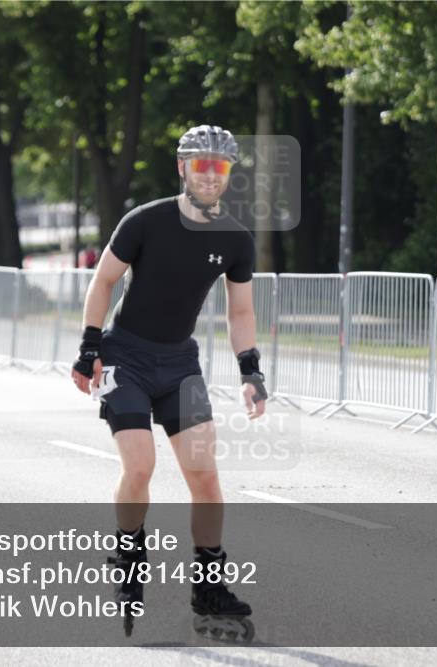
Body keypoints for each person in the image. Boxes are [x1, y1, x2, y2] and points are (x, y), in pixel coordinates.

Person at [70, 124, 267, 640]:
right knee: (141, 464)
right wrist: (89, 347)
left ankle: (208, 587)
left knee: (205, 477)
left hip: (180, 364)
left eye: (219, 167)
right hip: (126, 358)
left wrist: (251, 370)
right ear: (182, 168)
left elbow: (240, 309)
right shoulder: (146, 221)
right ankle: (129, 551)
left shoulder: (235, 239)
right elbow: (104, 280)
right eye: (199, 165)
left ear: (227, 175)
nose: (209, 175)